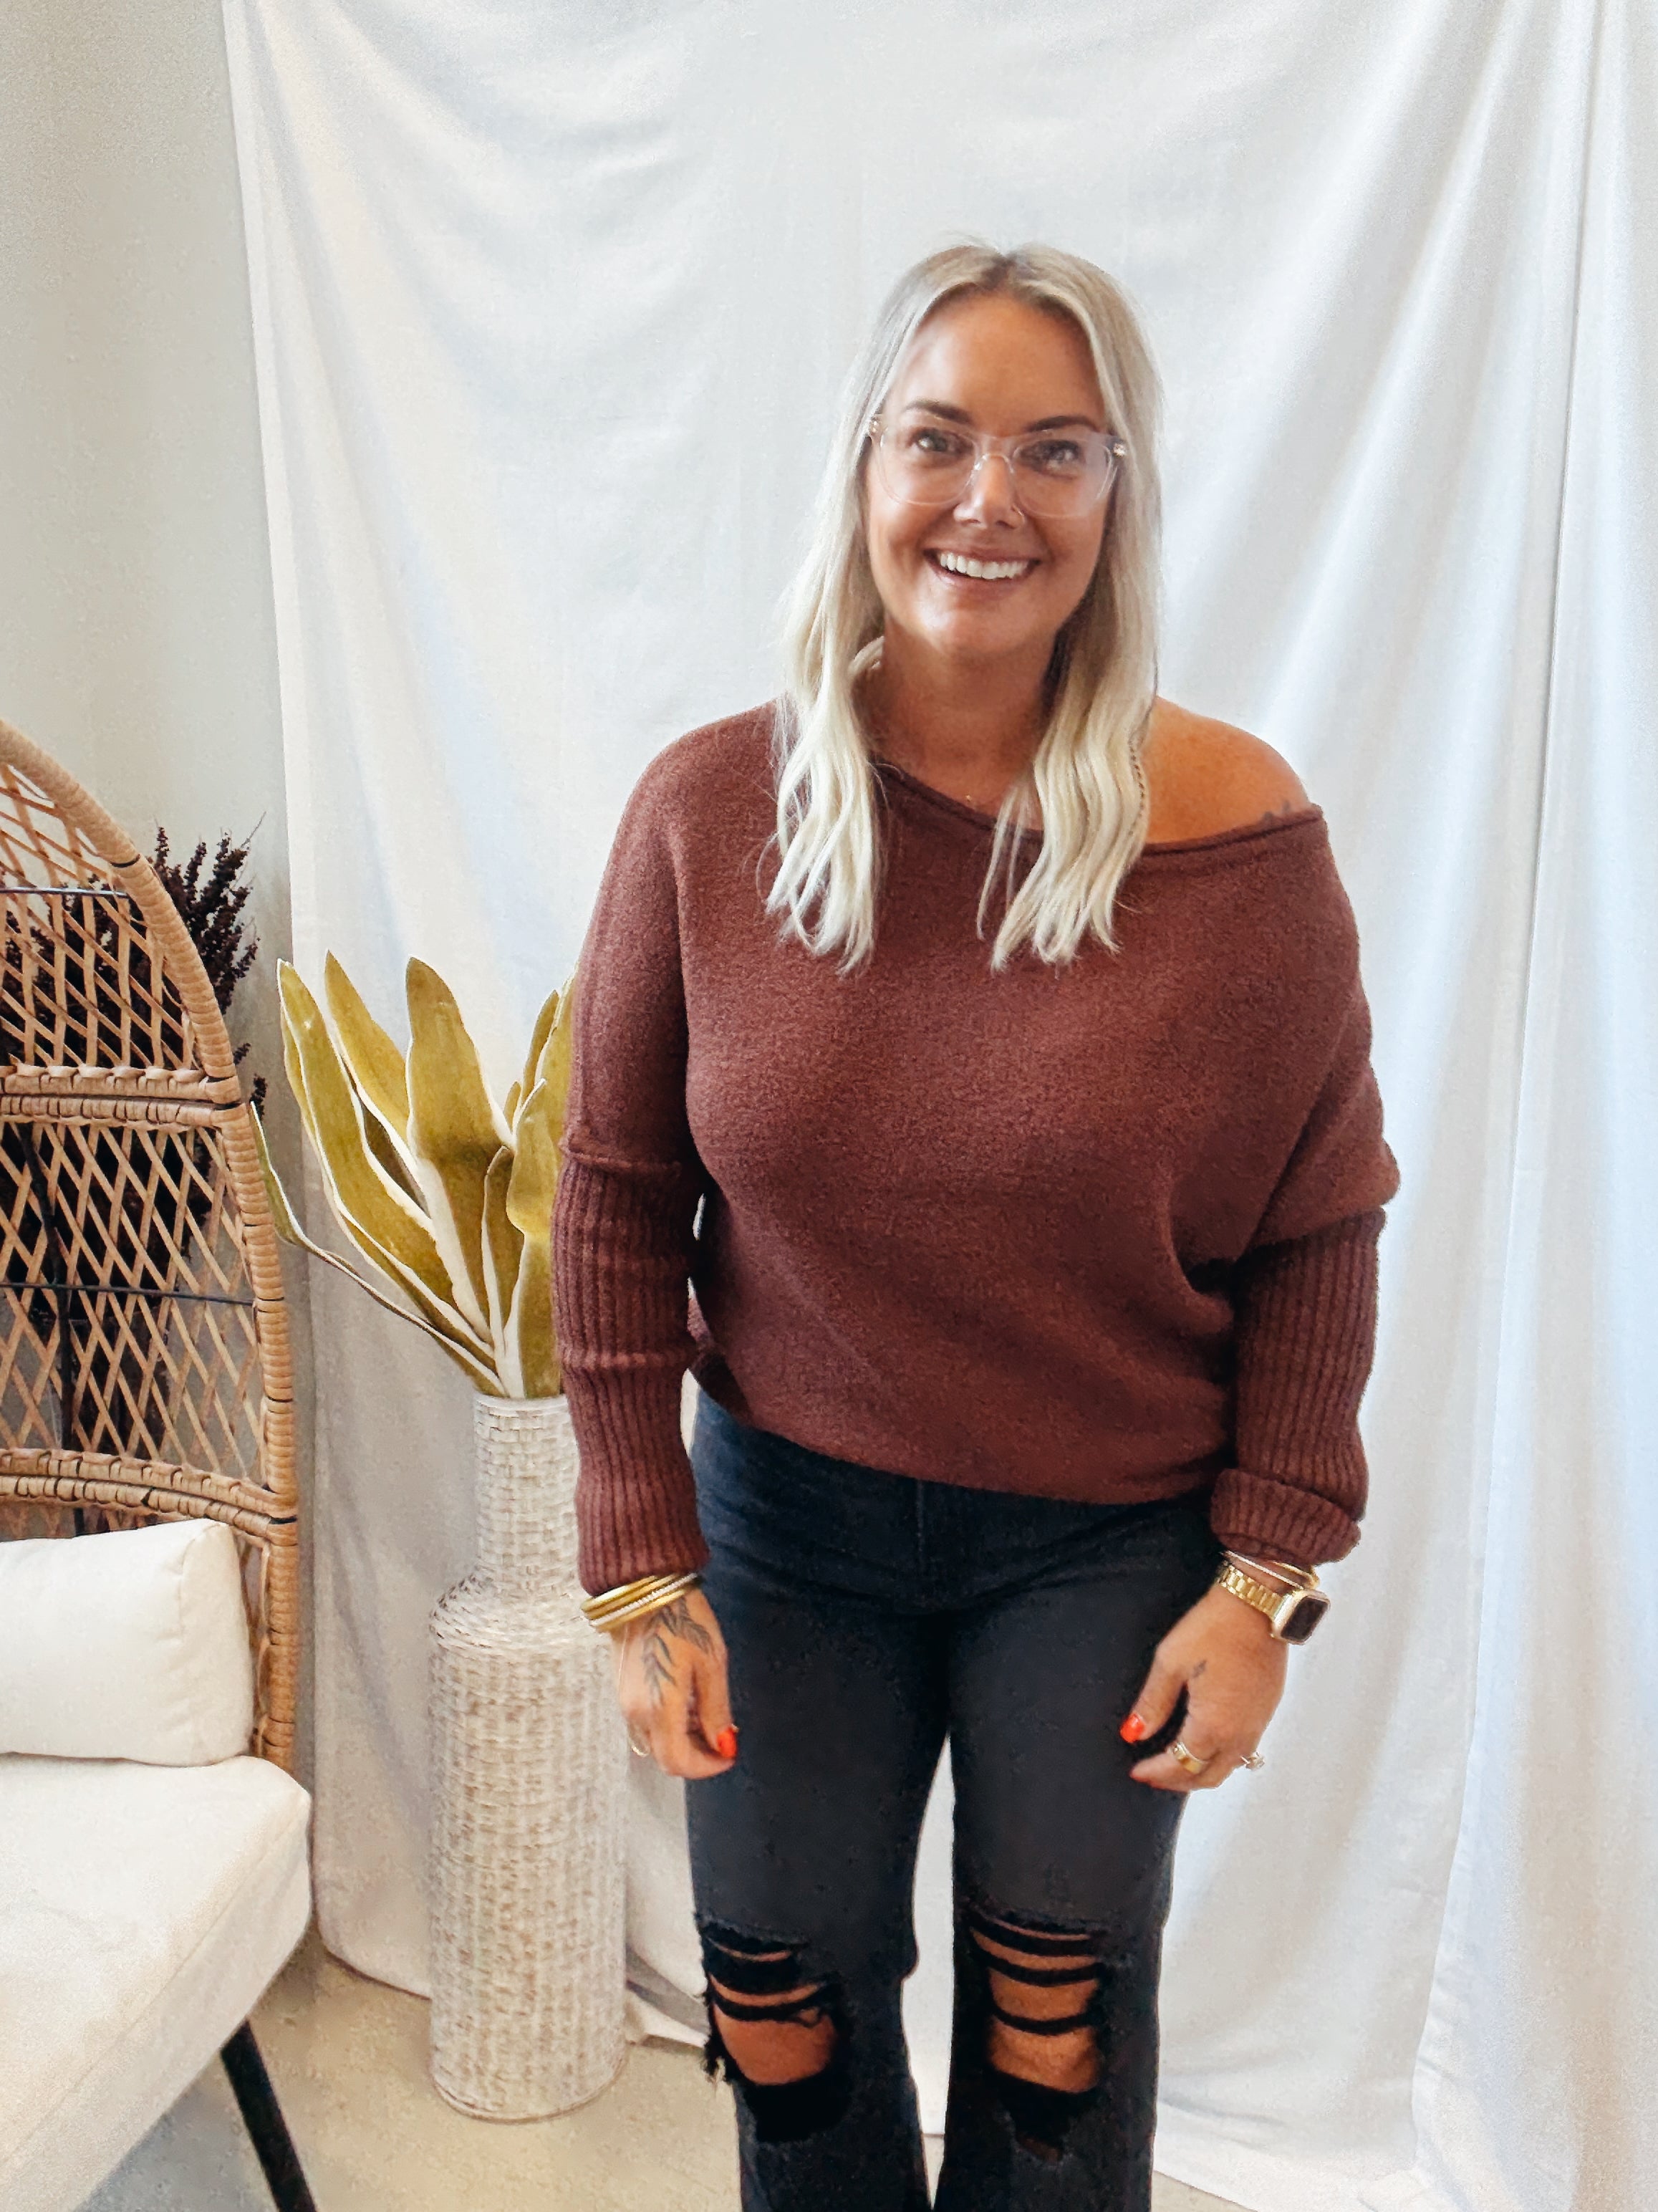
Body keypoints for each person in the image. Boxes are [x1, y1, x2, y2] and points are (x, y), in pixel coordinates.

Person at [552, 241, 1398, 2212]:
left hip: (1104, 1540)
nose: (987, 502)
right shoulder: (708, 813)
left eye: (1056, 451)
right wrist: (631, 1557)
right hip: (787, 1529)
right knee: (774, 1988)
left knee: (1055, 2017)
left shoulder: (1237, 838)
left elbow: (1319, 1230)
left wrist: (1263, 1581)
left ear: (1120, 499)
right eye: (936, 439)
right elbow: (615, 1197)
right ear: (862, 469)